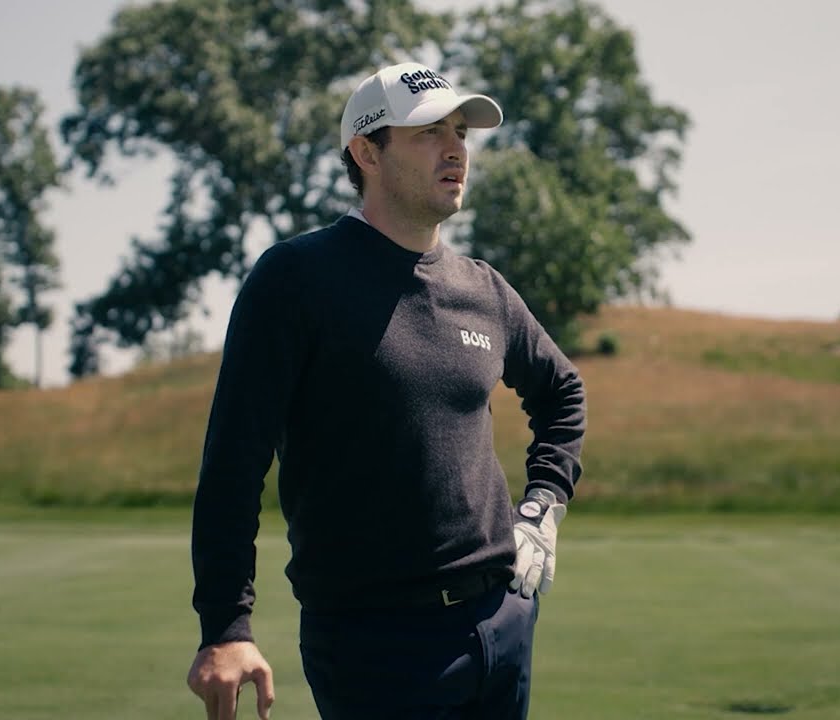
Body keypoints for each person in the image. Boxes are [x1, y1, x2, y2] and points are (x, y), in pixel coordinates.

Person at [185, 61, 586, 720]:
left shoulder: (482, 288)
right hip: (375, 644)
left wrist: (543, 504)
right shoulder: (296, 279)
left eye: (461, 132)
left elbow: (562, 391)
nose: (456, 149)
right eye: (429, 132)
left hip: (503, 621)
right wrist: (226, 626)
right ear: (366, 152)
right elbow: (233, 460)